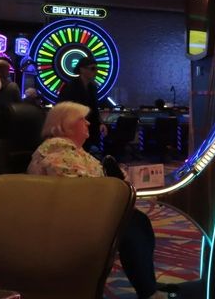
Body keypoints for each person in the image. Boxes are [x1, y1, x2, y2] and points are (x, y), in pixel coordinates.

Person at [27, 102, 166, 299]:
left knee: (135, 221)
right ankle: (147, 289)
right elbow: (80, 192)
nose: (88, 123)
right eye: (81, 119)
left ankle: (147, 285)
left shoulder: (74, 152)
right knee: (133, 223)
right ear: (65, 125)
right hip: (63, 219)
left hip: (84, 212)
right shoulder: (56, 154)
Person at [58, 55, 107, 152]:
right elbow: (63, 109)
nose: (95, 72)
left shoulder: (92, 87)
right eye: (92, 68)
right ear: (82, 70)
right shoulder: (70, 86)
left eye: (97, 69)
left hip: (88, 128)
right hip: (73, 129)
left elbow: (94, 108)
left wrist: (101, 123)